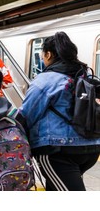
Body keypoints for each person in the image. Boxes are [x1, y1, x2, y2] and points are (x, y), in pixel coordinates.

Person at [18, 31, 100, 191]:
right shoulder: (83, 74)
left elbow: (26, 115)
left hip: (57, 152)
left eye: (43, 55)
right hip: (91, 147)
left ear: (48, 54)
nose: (42, 59)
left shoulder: (46, 79)